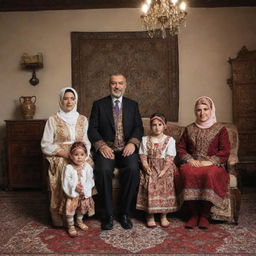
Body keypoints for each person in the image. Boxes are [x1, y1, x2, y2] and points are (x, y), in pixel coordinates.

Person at [88, 73, 144, 230]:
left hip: (126, 149)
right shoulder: (99, 104)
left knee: (133, 169)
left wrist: (133, 143)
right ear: (109, 85)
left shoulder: (133, 105)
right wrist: (101, 146)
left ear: (125, 85)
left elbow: (139, 127)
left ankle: (124, 213)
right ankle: (108, 214)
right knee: (103, 170)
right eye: (114, 83)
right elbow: (92, 128)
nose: (117, 86)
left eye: (120, 83)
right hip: (107, 150)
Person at [176, 96, 230, 229]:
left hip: (212, 165)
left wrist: (210, 162)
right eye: (199, 110)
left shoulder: (220, 129)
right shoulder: (189, 129)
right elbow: (181, 148)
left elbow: (225, 150)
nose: (202, 113)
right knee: (185, 171)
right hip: (193, 162)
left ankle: (204, 215)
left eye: (206, 109)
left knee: (210, 173)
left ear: (211, 110)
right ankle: (194, 215)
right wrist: (190, 160)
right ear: (195, 111)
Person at [41, 87, 92, 227]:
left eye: (72, 98)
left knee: (87, 167)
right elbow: (45, 144)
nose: (69, 101)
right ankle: (62, 215)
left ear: (76, 100)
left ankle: (80, 213)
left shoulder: (83, 119)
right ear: (61, 100)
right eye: (65, 98)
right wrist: (65, 154)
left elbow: (86, 140)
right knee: (66, 168)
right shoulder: (52, 120)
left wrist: (84, 155)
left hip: (81, 153)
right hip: (60, 154)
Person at [136, 113, 178, 228]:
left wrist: (164, 170)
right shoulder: (145, 140)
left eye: (160, 124)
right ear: (150, 126)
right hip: (150, 166)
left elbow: (170, 157)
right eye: (154, 125)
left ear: (165, 126)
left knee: (165, 185)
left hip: (164, 167)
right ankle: (150, 215)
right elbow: (143, 155)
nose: (157, 127)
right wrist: (145, 166)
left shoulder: (170, 140)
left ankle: (164, 215)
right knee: (149, 182)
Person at [60, 142, 95, 237]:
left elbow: (90, 179)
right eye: (76, 154)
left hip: (83, 193)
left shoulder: (87, 167)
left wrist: (85, 188)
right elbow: (66, 181)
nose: (79, 157)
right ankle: (70, 225)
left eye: (82, 154)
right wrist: (74, 186)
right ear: (71, 156)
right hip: (73, 194)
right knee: (71, 210)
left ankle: (79, 221)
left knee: (81, 209)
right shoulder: (69, 168)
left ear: (86, 155)